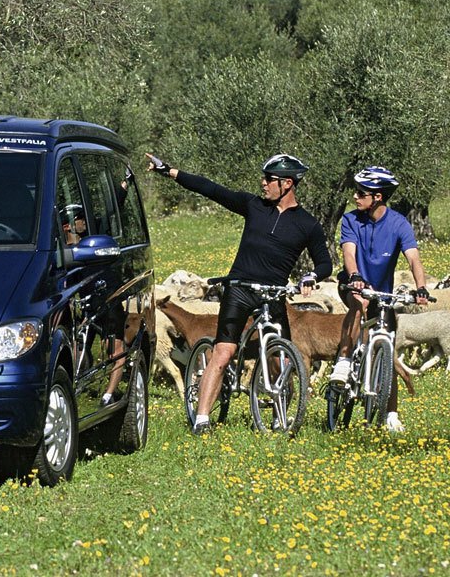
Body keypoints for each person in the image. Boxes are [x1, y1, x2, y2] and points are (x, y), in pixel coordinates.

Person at [146, 152, 333, 434]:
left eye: (269, 179)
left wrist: (311, 276)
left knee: (280, 359)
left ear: (287, 184)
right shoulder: (254, 206)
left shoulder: (307, 224)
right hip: (240, 291)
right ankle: (202, 419)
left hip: (272, 294)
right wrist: (169, 171)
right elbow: (212, 190)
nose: (263, 183)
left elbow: (324, 262)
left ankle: (279, 416)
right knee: (223, 353)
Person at [328, 166, 429, 433]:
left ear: (378, 197)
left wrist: (421, 289)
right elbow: (349, 254)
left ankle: (391, 414)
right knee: (358, 302)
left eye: (361, 193)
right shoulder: (350, 220)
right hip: (354, 283)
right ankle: (345, 359)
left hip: (382, 293)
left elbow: (414, 258)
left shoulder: (398, 224)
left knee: (388, 350)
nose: (355, 197)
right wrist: (356, 276)